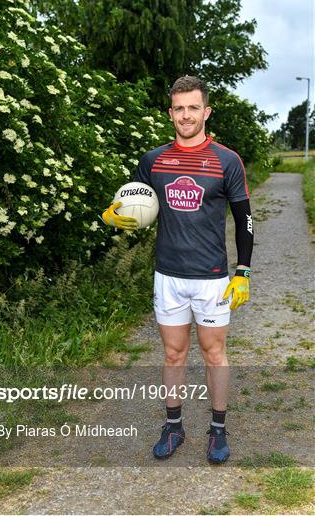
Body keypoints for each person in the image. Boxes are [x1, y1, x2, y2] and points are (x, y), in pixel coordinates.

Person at [102, 76, 253, 463]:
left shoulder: (226, 160)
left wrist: (243, 271)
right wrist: (118, 216)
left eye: (193, 107)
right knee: (173, 353)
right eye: (179, 108)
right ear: (171, 113)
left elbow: (245, 219)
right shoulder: (153, 160)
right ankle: (174, 427)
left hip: (213, 277)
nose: (186, 115)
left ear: (206, 111)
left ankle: (218, 431)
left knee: (214, 353)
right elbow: (136, 204)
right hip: (168, 274)